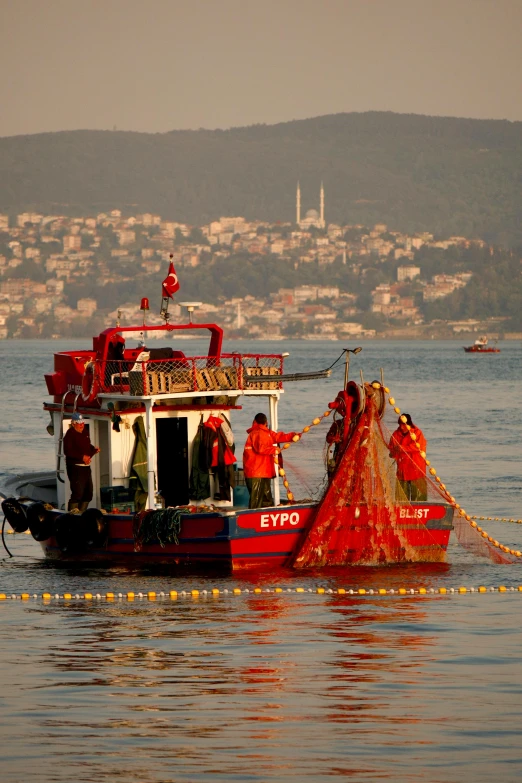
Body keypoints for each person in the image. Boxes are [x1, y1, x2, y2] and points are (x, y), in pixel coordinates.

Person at [243, 413, 297, 509]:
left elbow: (278, 437)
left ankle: (262, 517)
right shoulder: (258, 433)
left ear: (255, 421)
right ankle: (254, 520)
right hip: (256, 473)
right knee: (256, 501)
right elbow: (260, 449)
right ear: (266, 422)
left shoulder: (266, 433)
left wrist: (292, 436)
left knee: (265, 499)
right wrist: (274, 450)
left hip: (262, 472)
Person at [63, 413, 100, 513]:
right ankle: (71, 516)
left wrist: (93, 449)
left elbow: (87, 446)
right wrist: (82, 457)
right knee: (77, 493)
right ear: (74, 423)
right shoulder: (69, 435)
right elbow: (67, 451)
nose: (81, 425)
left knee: (88, 493)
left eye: (82, 423)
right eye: (79, 423)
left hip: (86, 467)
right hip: (75, 468)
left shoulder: (85, 432)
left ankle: (81, 513)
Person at [389, 413, 427, 501]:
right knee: (401, 500)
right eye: (400, 424)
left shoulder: (417, 433)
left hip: (416, 470)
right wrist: (393, 452)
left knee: (419, 499)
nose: (401, 427)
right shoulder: (395, 434)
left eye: (403, 424)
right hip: (402, 472)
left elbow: (417, 447)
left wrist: (400, 448)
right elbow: (391, 448)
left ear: (408, 424)